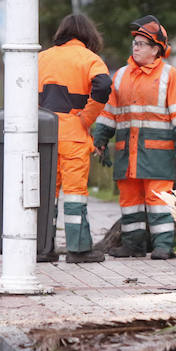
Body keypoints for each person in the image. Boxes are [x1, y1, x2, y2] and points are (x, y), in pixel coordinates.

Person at [92, 15, 176, 259]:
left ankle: (163, 246)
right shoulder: (121, 76)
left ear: (156, 49)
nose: (135, 47)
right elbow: (109, 113)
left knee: (159, 200)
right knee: (130, 202)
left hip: (157, 152)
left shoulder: (170, 76)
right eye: (134, 43)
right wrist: (101, 140)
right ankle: (133, 246)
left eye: (141, 44)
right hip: (128, 152)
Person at [38, 14, 112, 263]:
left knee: (46, 193)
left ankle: (43, 248)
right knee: (74, 194)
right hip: (73, 135)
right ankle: (78, 249)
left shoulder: (42, 57)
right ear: (89, 35)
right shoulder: (90, 59)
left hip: (43, 133)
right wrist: (87, 117)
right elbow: (103, 86)